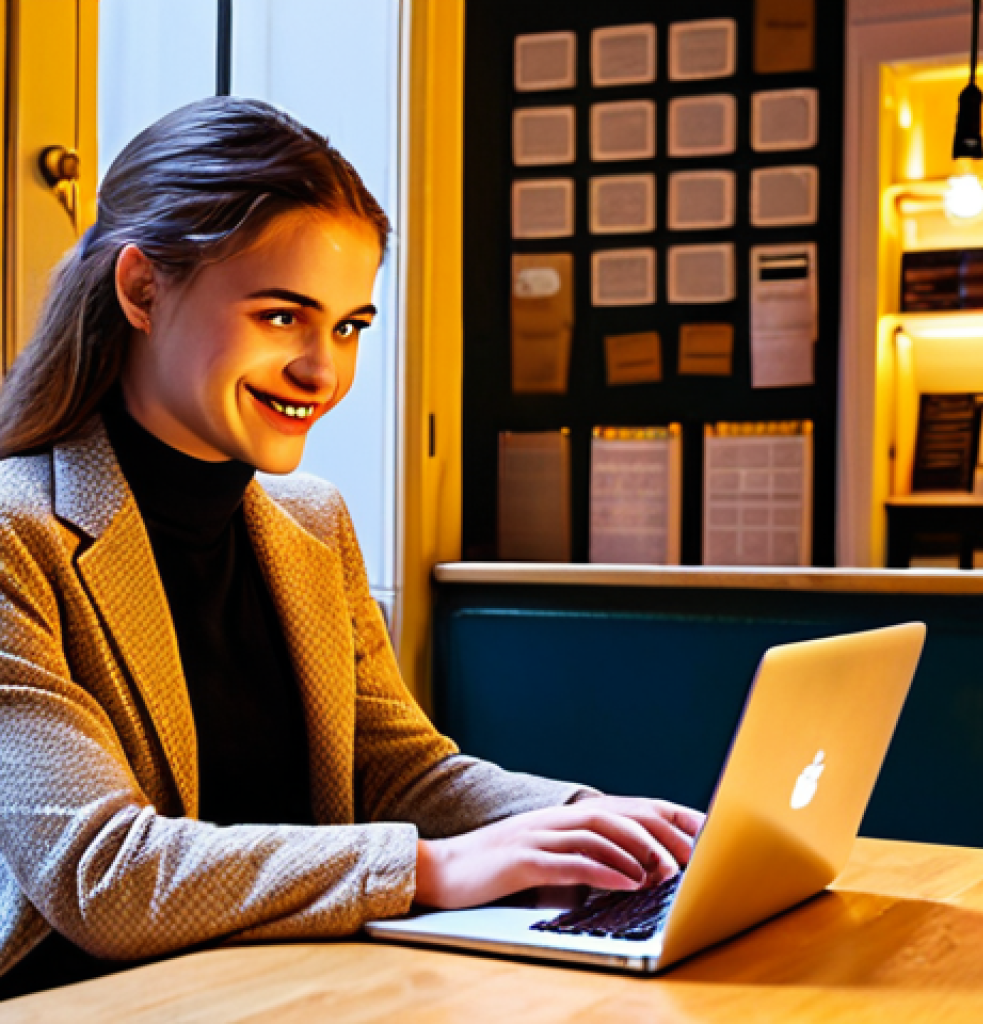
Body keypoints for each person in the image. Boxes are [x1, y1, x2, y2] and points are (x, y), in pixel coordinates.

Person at [0, 97, 703, 997]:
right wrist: (436, 869)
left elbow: (400, 770)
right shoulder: (19, 533)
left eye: (348, 326)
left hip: (302, 985)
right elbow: (105, 874)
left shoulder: (312, 521)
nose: (322, 371)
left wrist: (592, 821)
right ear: (142, 290)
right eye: (281, 317)